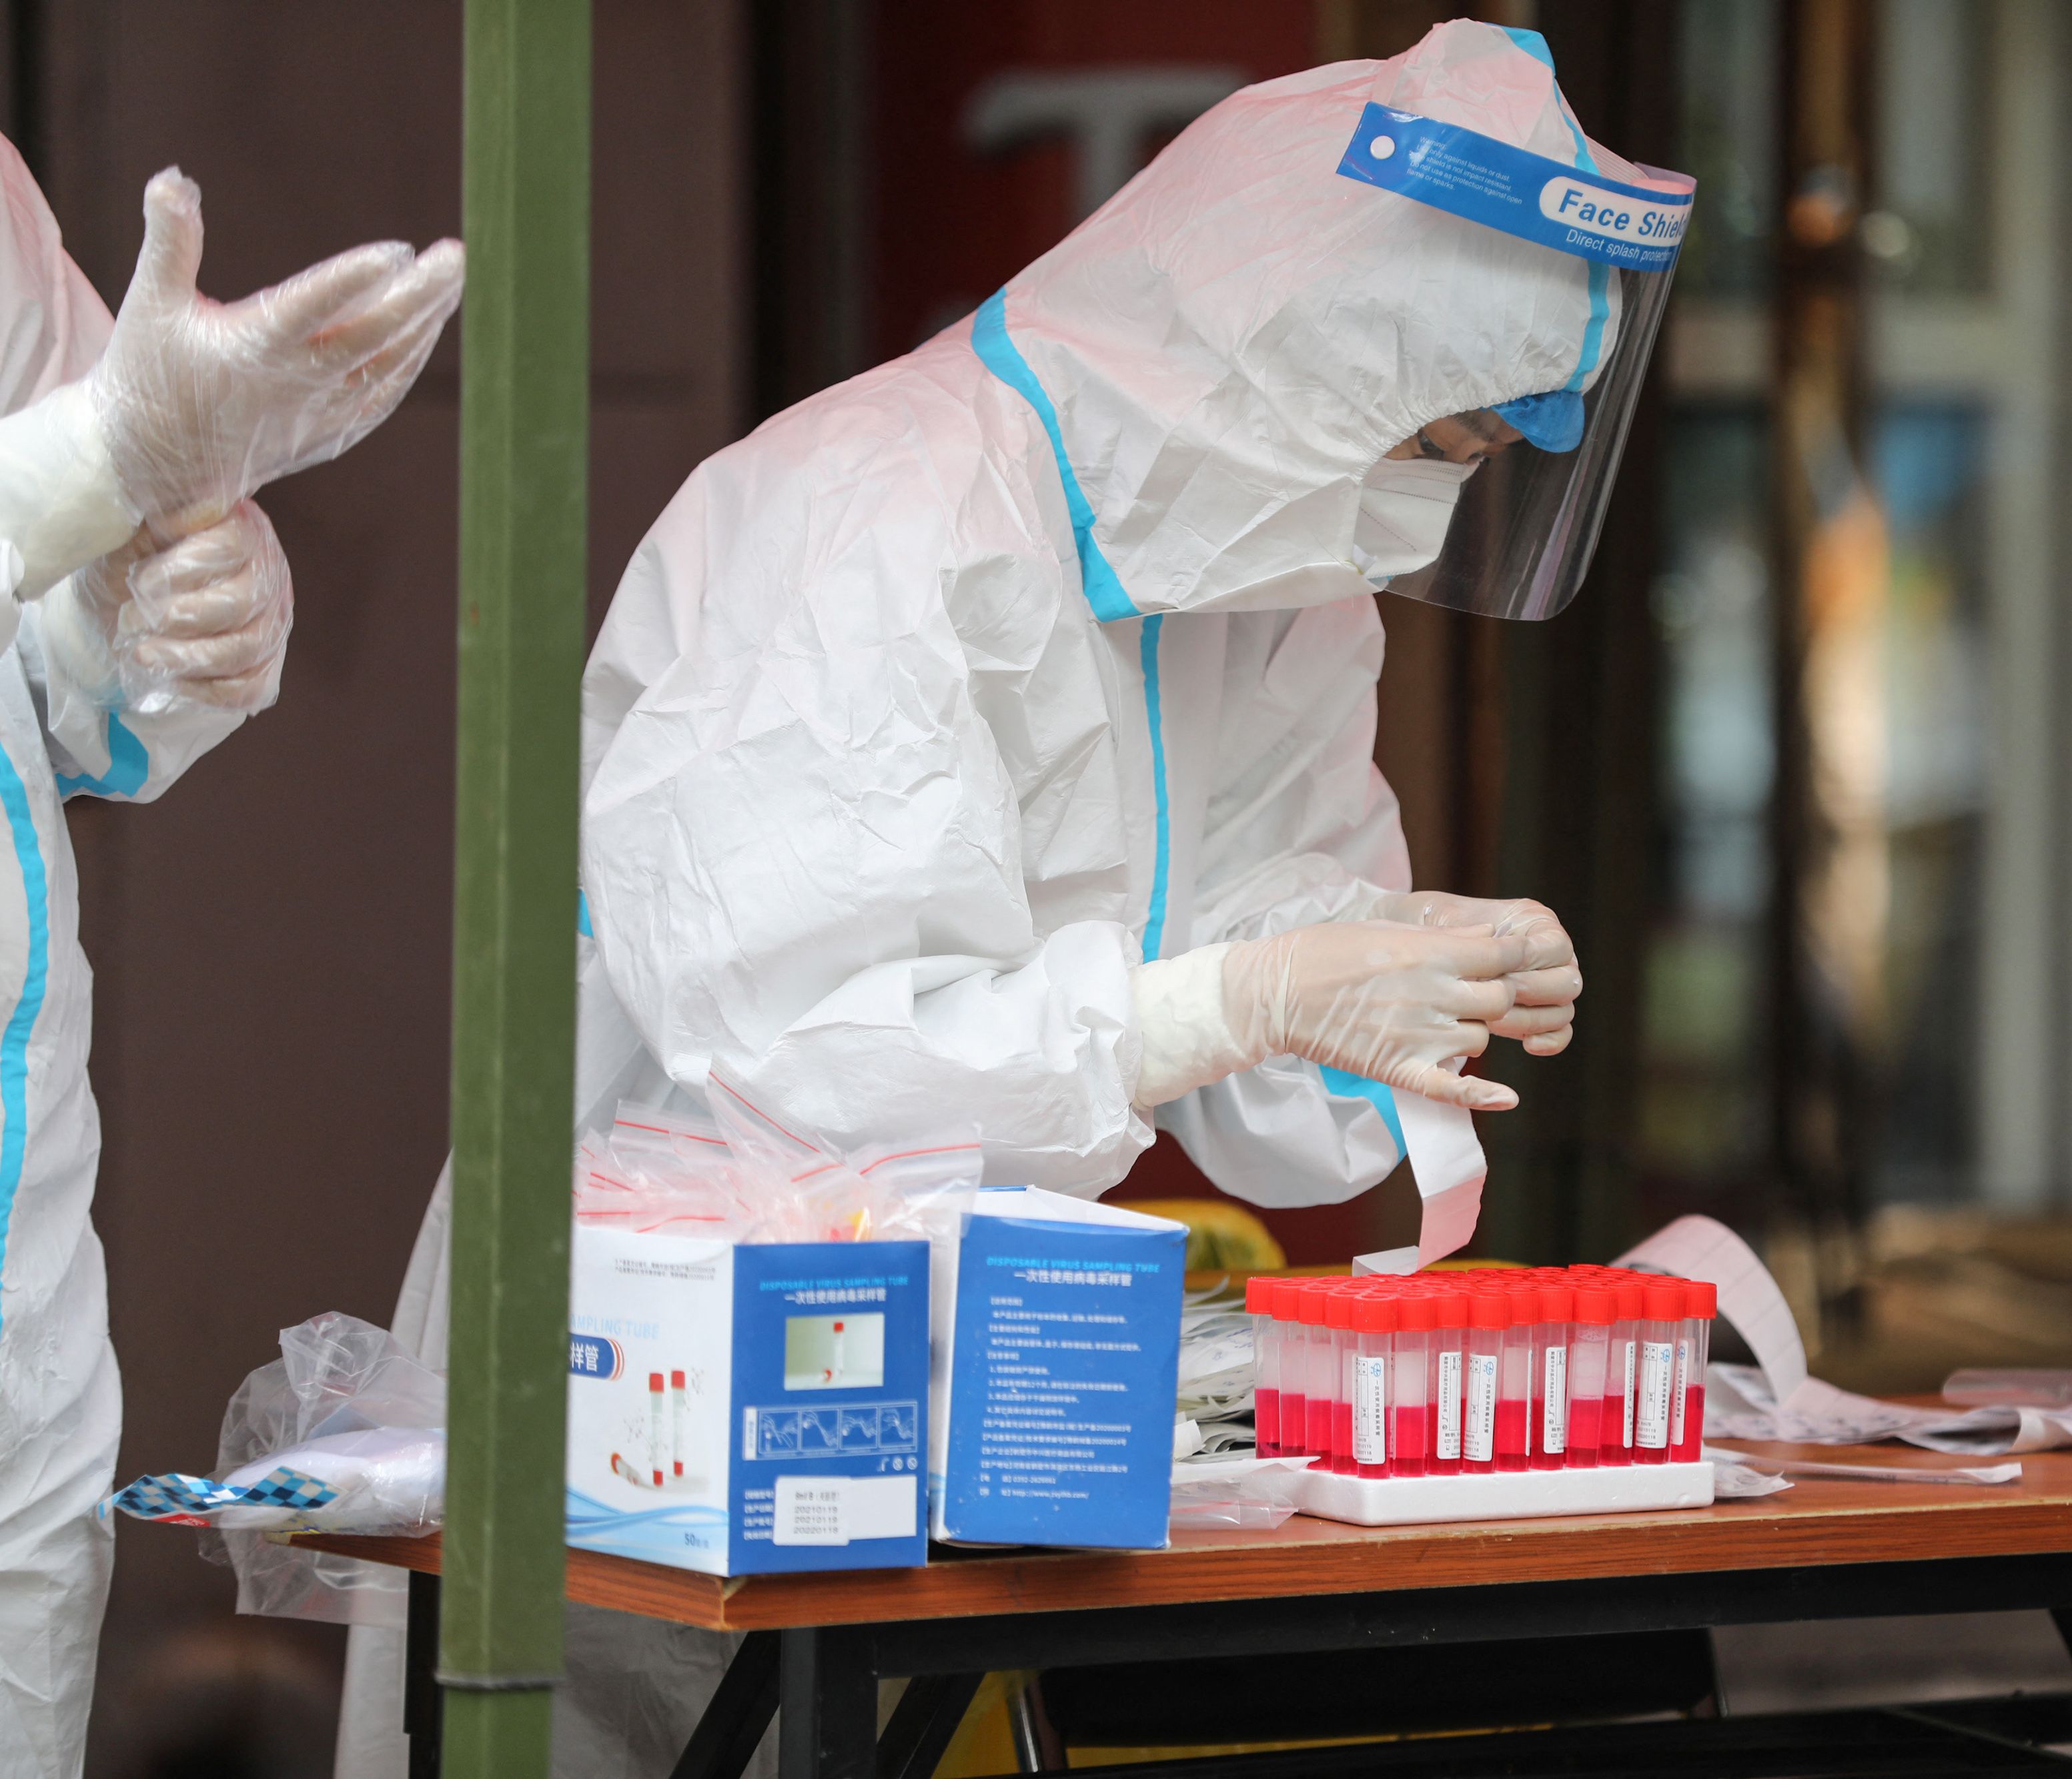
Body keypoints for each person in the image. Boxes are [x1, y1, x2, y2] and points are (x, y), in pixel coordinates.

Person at [338, 19, 1687, 1775]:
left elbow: (1286, 1095)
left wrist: (1410, 992)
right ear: (1302, 356)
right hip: (653, 1377)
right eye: (1438, 428)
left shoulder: (1283, 586)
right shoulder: (871, 521)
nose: (1439, 495)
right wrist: (1241, 996)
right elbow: (806, 1069)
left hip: (977, 1408)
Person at [0, 143, 462, 1772]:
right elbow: (53, 471)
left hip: (17, 1296)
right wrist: (87, 460)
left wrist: (164, 604)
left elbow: (43, 675)